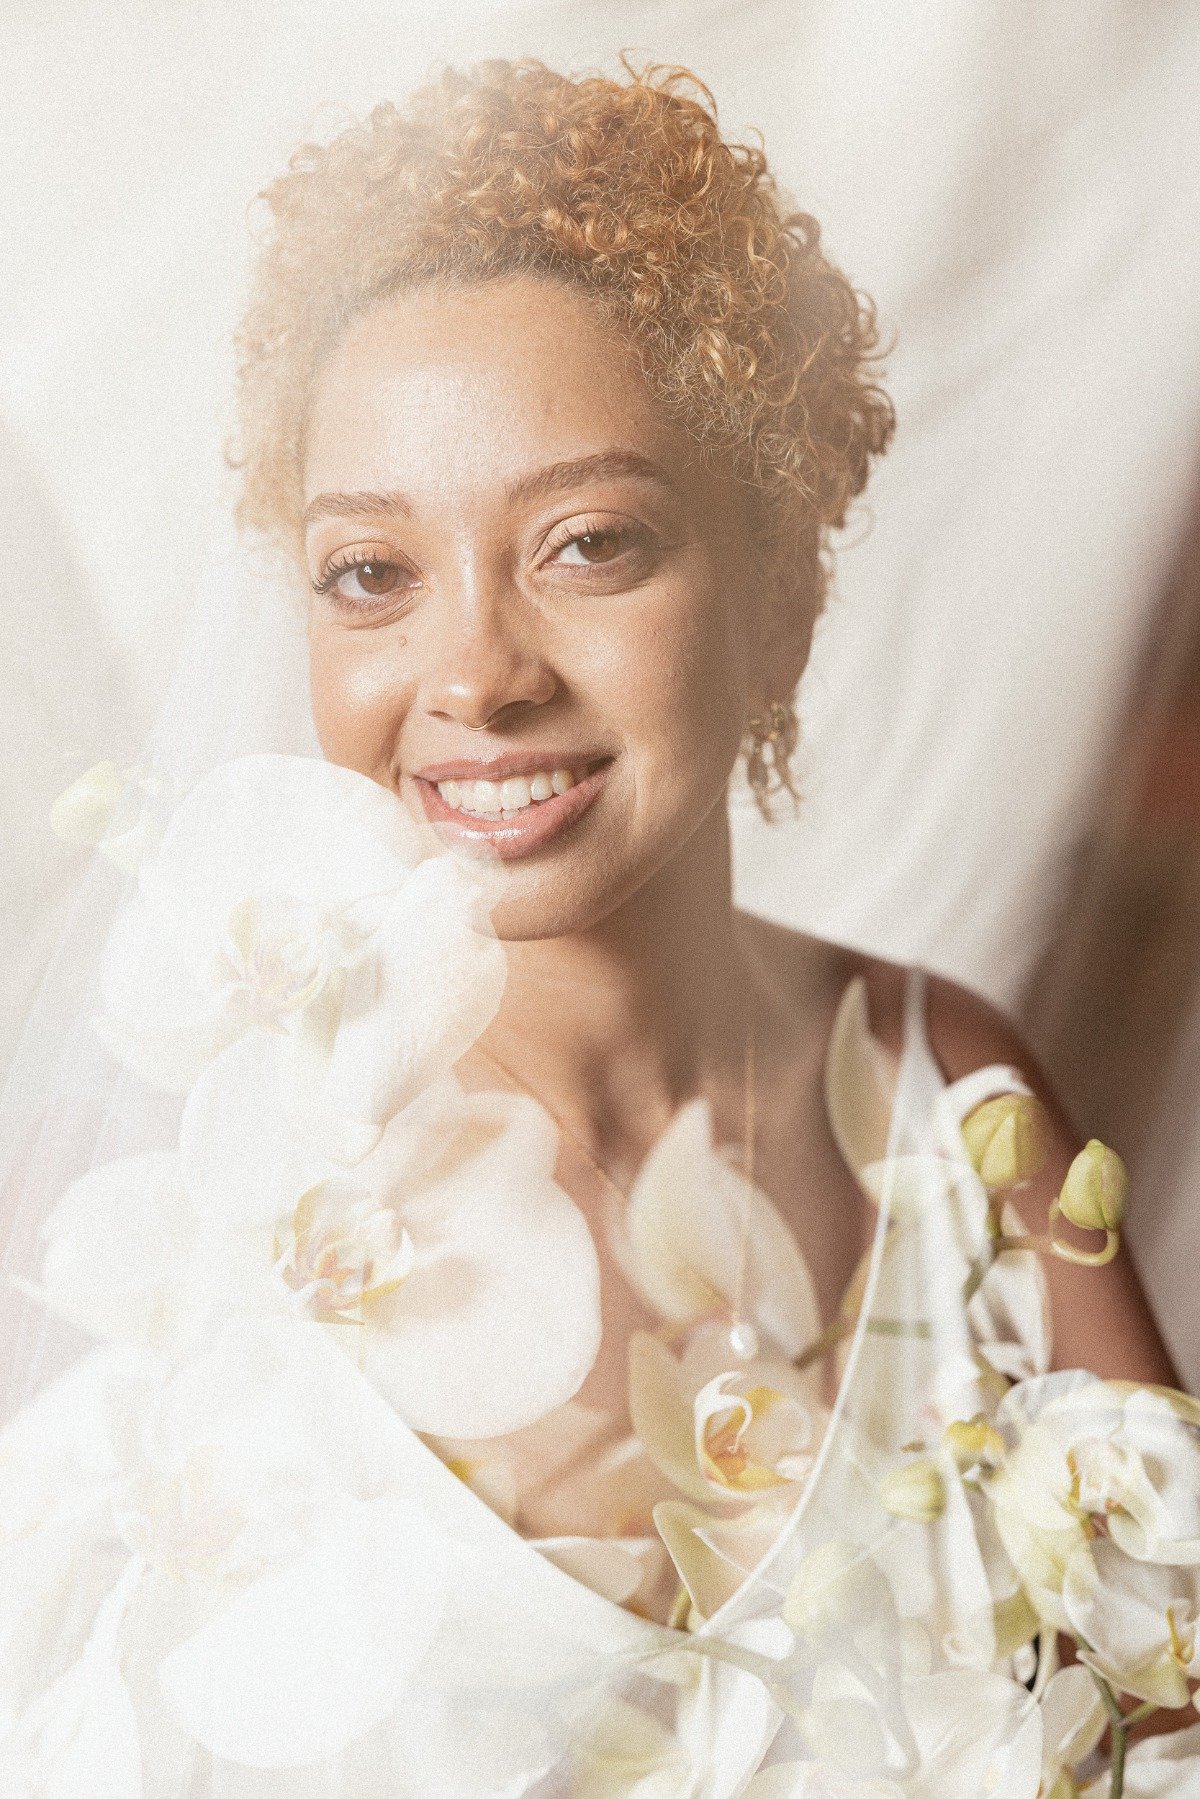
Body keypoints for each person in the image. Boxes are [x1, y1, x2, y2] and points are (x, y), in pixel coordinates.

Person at [0, 57, 1190, 1798]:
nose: (477, 672)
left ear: (776, 590)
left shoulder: (961, 1115)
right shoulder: (237, 1225)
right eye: (371, 574)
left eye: (587, 543)